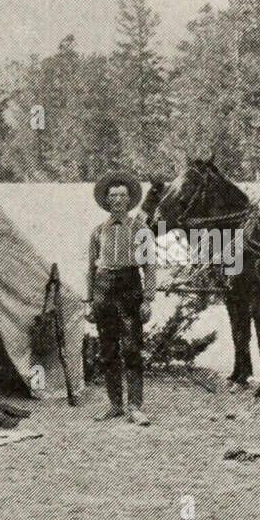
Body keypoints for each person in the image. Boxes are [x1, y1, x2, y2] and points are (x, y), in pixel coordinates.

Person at [85, 169, 156, 426]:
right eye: (112, 195)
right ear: (106, 200)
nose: (117, 200)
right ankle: (115, 404)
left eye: (122, 195)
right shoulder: (97, 231)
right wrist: (89, 300)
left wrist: (148, 299)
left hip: (130, 289)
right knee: (108, 351)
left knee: (132, 348)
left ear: (129, 200)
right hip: (103, 290)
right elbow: (91, 268)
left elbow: (149, 266)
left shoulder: (141, 229)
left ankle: (135, 406)